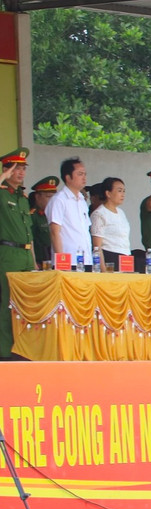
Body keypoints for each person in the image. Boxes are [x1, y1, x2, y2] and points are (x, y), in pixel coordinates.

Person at [0, 148, 35, 358]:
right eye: (16, 168)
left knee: (27, 305)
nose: (21, 172)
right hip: (8, 253)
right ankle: (5, 352)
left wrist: (34, 261)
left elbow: (28, 233)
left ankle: (25, 350)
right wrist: (2, 177)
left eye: (23, 168)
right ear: (6, 170)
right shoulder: (2, 194)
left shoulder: (22, 197)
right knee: (7, 303)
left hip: (25, 256)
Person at [48, 156, 92, 269]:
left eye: (85, 174)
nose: (84, 177)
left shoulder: (82, 200)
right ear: (68, 177)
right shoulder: (59, 200)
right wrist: (62, 263)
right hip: (68, 261)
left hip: (86, 260)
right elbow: (54, 232)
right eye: (80, 174)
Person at [89, 177, 132, 269]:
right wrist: (103, 269)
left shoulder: (121, 212)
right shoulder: (99, 214)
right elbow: (97, 246)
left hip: (126, 258)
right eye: (119, 191)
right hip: (110, 257)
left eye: (124, 191)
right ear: (108, 193)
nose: (123, 194)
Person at [29, 175, 58, 269]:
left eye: (54, 197)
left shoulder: (56, 215)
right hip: (40, 263)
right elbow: (30, 241)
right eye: (48, 197)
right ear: (37, 196)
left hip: (57, 262)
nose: (52, 201)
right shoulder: (33, 216)